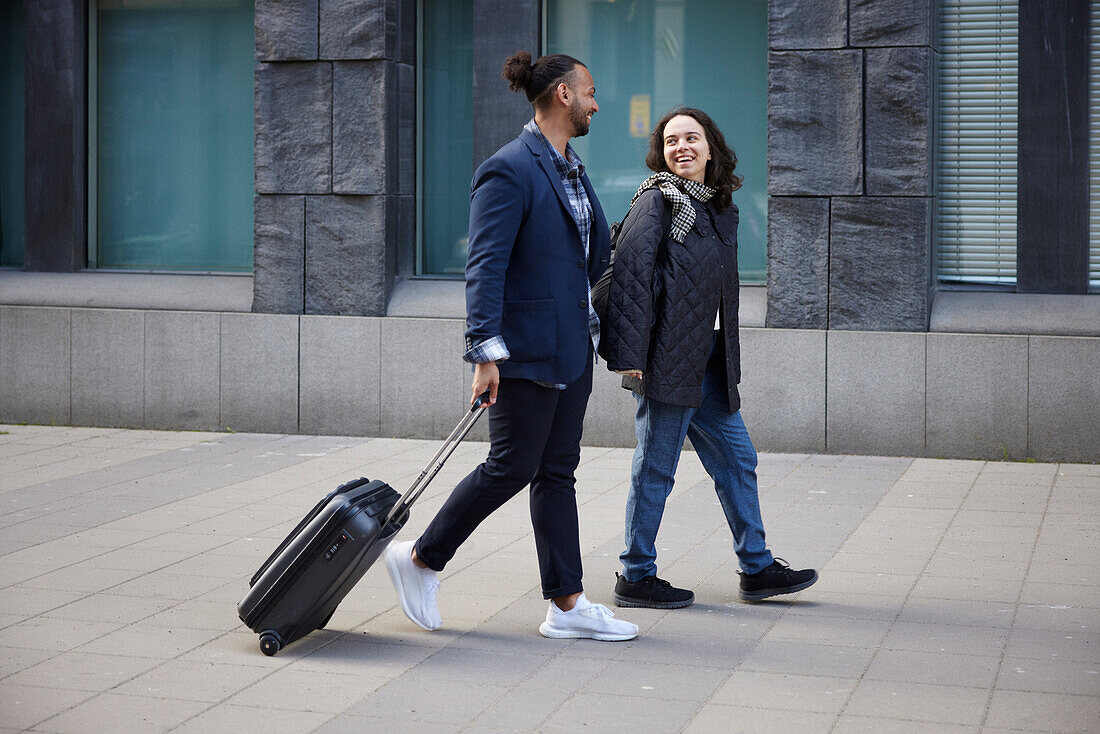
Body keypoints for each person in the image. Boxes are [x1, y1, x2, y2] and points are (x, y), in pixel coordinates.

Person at [385, 51, 638, 641]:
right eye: (591, 92)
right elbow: (486, 266)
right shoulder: (509, 169)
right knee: (511, 467)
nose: (598, 104)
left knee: (557, 472)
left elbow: (587, 259)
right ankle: (420, 558)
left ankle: (567, 605)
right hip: (523, 351)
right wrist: (484, 352)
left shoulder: (572, 170)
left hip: (570, 349)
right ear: (563, 96)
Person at [599, 107, 818, 608]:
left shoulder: (720, 207)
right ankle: (635, 574)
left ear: (711, 147)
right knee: (656, 468)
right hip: (667, 360)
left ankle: (757, 568)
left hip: (711, 359)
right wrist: (630, 356)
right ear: (662, 151)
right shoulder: (658, 200)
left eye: (691, 138)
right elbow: (631, 275)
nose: (682, 147)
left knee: (739, 459)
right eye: (672, 140)